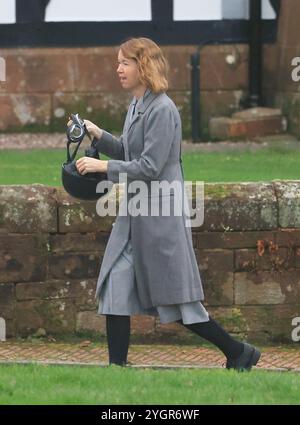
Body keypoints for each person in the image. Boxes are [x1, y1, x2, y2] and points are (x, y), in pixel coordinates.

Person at [69, 37, 261, 371]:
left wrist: (102, 167)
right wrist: (98, 135)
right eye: (118, 62)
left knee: (182, 305)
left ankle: (238, 352)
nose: (118, 69)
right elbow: (131, 152)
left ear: (143, 66)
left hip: (159, 218)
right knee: (115, 284)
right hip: (135, 216)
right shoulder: (137, 104)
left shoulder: (163, 109)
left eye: (124, 63)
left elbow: (149, 167)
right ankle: (117, 370)